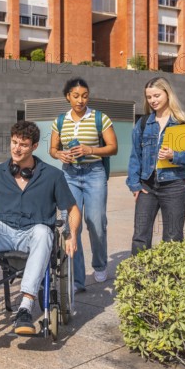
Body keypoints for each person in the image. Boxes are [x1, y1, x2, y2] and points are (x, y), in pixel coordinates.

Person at [0, 120, 81, 335]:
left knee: (44, 231)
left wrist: (71, 235)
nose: (17, 148)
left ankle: (25, 309)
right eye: (14, 142)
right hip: (2, 232)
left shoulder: (53, 176)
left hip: (33, 235)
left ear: (34, 146)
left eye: (23, 145)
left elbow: (72, 210)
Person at [49, 77, 117, 293]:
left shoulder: (100, 118)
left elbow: (113, 147)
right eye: (76, 96)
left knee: (95, 221)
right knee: (71, 226)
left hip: (94, 174)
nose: (80, 100)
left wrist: (90, 150)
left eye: (85, 96)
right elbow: (52, 148)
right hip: (69, 175)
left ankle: (99, 264)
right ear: (68, 96)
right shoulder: (60, 120)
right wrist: (59, 154)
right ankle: (77, 279)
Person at [126, 77, 185, 255]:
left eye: (156, 95)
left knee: (173, 237)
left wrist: (174, 156)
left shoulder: (183, 124)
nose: (153, 100)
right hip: (147, 186)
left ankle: (169, 281)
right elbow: (135, 155)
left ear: (168, 94)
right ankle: (139, 279)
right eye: (149, 97)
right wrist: (134, 184)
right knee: (140, 236)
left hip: (175, 185)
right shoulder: (144, 123)